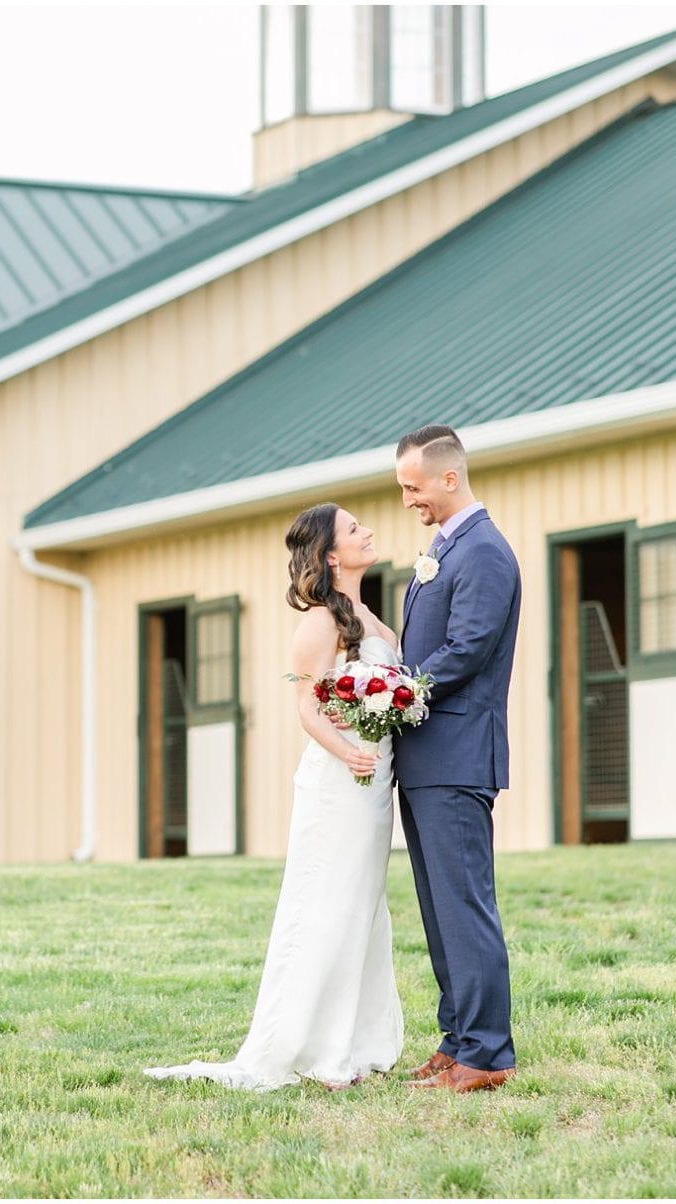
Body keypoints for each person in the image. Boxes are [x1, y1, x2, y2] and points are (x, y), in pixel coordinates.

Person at [145, 503, 402, 1091]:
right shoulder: (318, 623)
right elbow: (307, 710)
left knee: (362, 905)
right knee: (328, 903)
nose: (368, 531)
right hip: (341, 781)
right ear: (332, 555)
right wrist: (349, 752)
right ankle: (317, 1050)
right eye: (354, 528)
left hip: (373, 784)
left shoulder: (368, 617)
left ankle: (356, 1043)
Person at [389, 424, 521, 1092]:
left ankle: (488, 1054)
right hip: (424, 758)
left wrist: (398, 691)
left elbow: (467, 648)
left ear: (449, 477)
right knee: (439, 909)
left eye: (414, 486)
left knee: (465, 905)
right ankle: (457, 1038)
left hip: (458, 753)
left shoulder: (485, 552)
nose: (409, 499)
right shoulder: (445, 549)